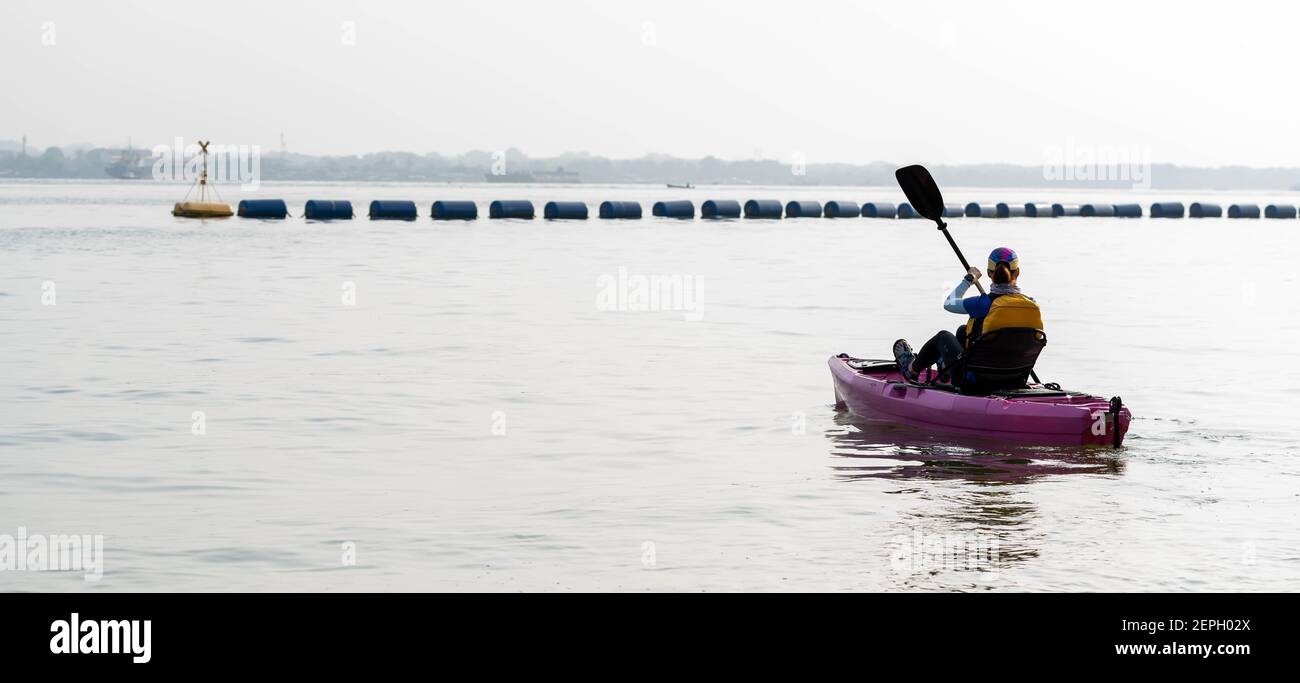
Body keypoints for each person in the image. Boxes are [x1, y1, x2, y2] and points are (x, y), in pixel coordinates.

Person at [892, 247, 1043, 387]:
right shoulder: (1031, 303)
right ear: (1017, 272)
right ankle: (945, 367)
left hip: (976, 381)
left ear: (990, 274)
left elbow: (949, 303)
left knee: (943, 336)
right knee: (964, 331)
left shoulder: (982, 303)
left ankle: (911, 368)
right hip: (1016, 380)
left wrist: (969, 279)